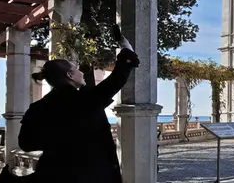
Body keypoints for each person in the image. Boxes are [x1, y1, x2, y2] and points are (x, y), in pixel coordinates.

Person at [9, 44, 140, 183]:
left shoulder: (37, 108)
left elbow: (25, 144)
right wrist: (126, 51)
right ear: (70, 75)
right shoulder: (87, 99)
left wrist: (56, 144)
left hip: (53, 174)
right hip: (91, 174)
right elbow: (116, 79)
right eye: (77, 69)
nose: (81, 73)